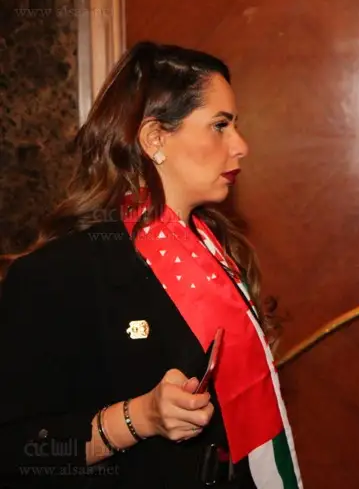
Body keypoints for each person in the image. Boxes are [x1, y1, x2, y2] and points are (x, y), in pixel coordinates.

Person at [0, 42, 303, 488]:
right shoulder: (61, 272)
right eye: (220, 126)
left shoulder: (219, 248)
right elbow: (15, 448)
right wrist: (139, 417)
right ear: (155, 139)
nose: (241, 146)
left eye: (235, 125)